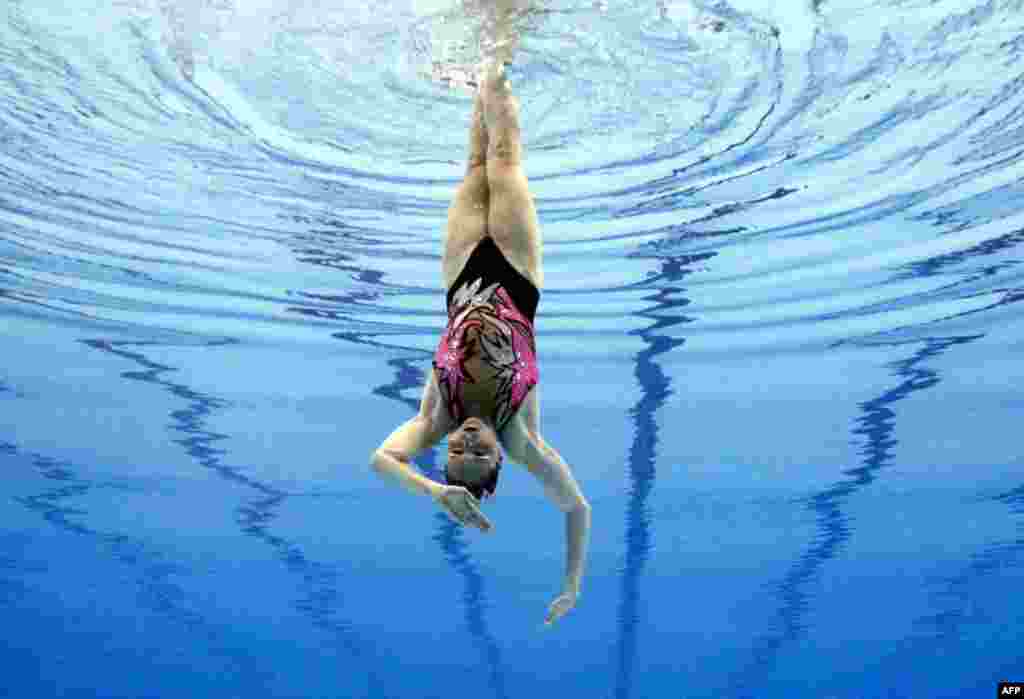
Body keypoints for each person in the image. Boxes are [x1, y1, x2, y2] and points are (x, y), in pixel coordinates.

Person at [370, 49, 591, 626]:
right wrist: (571, 585)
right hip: (517, 275)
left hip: (461, 275)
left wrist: (432, 491)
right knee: (504, 157)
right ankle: (497, 51)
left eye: (456, 454)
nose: (467, 441)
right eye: (480, 454)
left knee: (473, 164)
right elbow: (575, 507)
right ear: (500, 459)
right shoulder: (522, 438)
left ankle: (479, 70)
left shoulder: (434, 419)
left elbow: (382, 458)